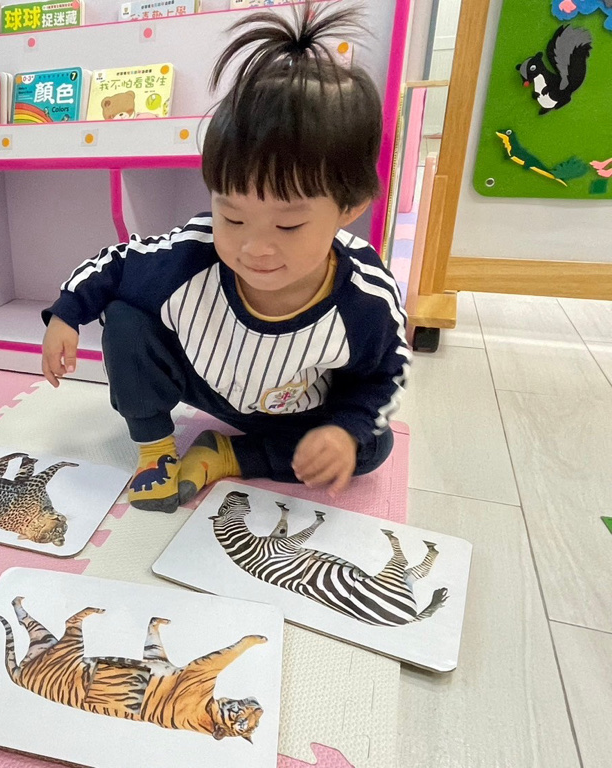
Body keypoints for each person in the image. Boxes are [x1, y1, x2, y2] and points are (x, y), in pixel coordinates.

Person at [40, 2, 410, 513]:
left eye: (288, 225)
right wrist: (66, 314)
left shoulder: (365, 296)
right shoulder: (191, 255)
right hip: (208, 385)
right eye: (232, 217)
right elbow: (119, 261)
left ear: (350, 208)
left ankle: (229, 454)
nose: (254, 247)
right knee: (124, 319)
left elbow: (384, 375)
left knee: (372, 446)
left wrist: (344, 431)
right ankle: (154, 449)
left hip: (299, 413)